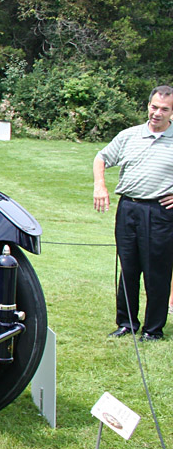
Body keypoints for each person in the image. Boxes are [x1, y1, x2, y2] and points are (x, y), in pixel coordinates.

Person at [93, 85, 173, 341]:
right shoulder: (129, 135)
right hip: (128, 208)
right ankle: (126, 323)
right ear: (148, 105)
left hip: (159, 212)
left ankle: (153, 330)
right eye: (154, 107)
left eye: (164, 109)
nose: (157, 113)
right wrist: (100, 185)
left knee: (157, 272)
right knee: (128, 268)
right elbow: (101, 157)